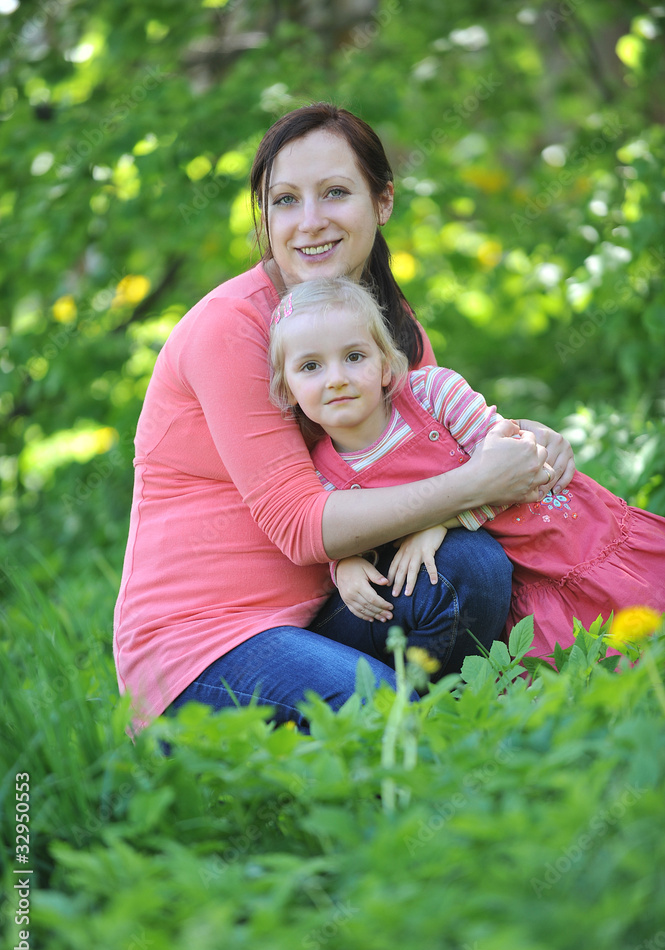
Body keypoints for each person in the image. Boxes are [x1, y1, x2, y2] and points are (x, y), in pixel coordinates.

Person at [113, 102, 572, 734]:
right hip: (204, 647)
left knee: (469, 566)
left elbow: (433, 454)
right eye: (285, 201)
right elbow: (302, 526)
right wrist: (479, 482)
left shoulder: (384, 325)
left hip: (334, 609)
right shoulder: (231, 329)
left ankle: (442, 727)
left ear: (382, 201)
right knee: (380, 708)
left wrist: (525, 446)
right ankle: (416, 735)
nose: (310, 222)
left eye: (334, 192)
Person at [269, 277, 665, 660]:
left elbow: (522, 470)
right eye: (311, 366)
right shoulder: (323, 474)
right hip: (524, 578)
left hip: (568, 534)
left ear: (386, 366)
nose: (337, 379)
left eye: (354, 357)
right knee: (585, 663)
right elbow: (356, 535)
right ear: (287, 390)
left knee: (644, 618)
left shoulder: (431, 394)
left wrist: (439, 525)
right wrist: (344, 566)